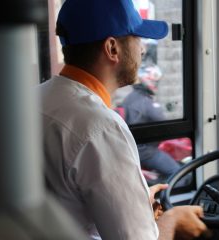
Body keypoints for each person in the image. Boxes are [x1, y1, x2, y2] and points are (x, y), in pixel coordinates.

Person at [38, 0, 207, 239]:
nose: (142, 49)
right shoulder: (100, 128)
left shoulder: (37, 97)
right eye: (137, 38)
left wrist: (133, 203)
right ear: (112, 48)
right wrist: (174, 219)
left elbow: (65, 200)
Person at [121, 64, 182, 184]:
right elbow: (164, 125)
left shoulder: (130, 98)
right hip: (145, 151)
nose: (157, 85)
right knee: (177, 172)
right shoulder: (147, 103)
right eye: (156, 82)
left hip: (133, 147)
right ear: (149, 80)